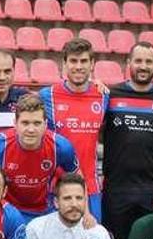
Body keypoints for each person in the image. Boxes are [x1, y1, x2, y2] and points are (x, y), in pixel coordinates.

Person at [102, 42, 153, 239]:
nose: (143, 66)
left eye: (148, 61)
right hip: (117, 187)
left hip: (152, 187)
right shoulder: (111, 95)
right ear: (129, 63)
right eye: (138, 61)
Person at [0, 92, 81, 218]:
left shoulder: (60, 146)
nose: (31, 130)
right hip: (7, 212)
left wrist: (86, 214)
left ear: (45, 124)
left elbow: (78, 180)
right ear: (15, 123)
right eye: (25, 123)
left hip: (45, 211)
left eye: (37, 123)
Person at [40, 39, 108, 218]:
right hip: (56, 187)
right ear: (64, 63)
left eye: (84, 61)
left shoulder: (103, 97)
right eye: (73, 61)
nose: (78, 66)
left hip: (90, 188)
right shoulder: (47, 96)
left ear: (92, 64)